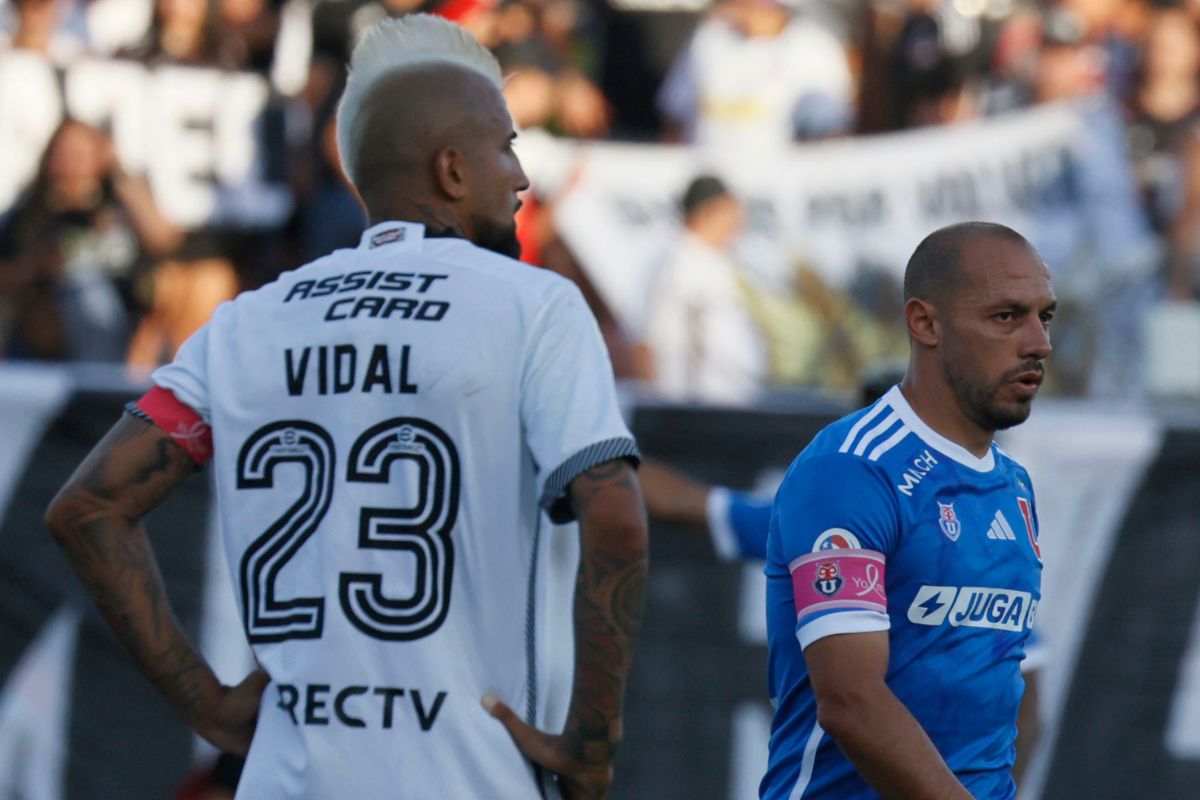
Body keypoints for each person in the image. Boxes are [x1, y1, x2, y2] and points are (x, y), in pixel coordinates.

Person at [44, 14, 647, 800]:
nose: (523, 179)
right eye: (508, 149)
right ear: (452, 170)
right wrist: (592, 743)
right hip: (468, 780)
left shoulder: (247, 322)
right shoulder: (534, 305)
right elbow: (618, 520)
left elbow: (86, 506)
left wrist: (209, 704)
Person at [760, 221, 1055, 799]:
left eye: (1045, 316)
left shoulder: (1012, 484)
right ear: (924, 323)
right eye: (1006, 316)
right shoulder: (852, 470)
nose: (1038, 342)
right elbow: (851, 701)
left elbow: (1003, 690)